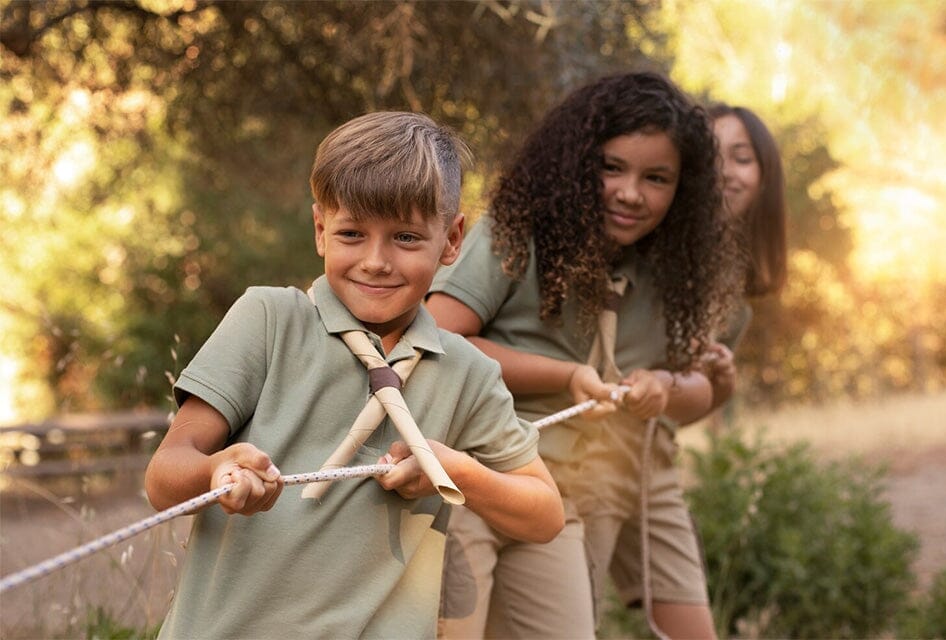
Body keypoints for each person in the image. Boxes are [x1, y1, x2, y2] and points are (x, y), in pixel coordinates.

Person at [144, 111, 564, 639]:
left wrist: (452, 469)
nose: (376, 261)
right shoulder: (268, 320)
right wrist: (216, 471)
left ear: (452, 239)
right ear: (321, 230)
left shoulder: (470, 373)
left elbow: (545, 513)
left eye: (406, 237)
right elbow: (163, 477)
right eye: (351, 233)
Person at [426, 73, 740, 639]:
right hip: (476, 474)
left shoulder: (674, 271)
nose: (630, 192)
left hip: (563, 500)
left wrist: (665, 388)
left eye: (657, 178)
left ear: (683, 188)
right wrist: (566, 375)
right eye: (611, 167)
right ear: (575, 164)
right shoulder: (517, 232)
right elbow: (440, 338)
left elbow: (691, 395)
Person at [607, 103, 788, 622]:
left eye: (742, 157)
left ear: (764, 177)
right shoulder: (634, 246)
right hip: (580, 454)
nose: (726, 170)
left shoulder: (734, 304)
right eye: (712, 154)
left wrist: (718, 389)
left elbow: (680, 408)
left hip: (648, 463)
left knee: (691, 626)